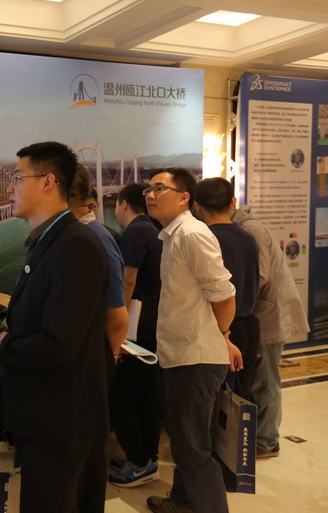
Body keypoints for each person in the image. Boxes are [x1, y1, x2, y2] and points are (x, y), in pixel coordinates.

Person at [0, 142, 109, 513]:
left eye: (17, 178)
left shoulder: (75, 245)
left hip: (61, 420)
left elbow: (59, 343)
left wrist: (6, 345)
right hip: (45, 416)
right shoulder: (50, 240)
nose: (10, 187)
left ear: (47, 182)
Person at [143, 168, 242, 513]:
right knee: (184, 443)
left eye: (160, 189)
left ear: (185, 197)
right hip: (179, 354)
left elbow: (224, 294)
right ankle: (183, 501)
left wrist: (222, 335)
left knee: (193, 448)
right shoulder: (173, 234)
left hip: (195, 358)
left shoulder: (192, 234)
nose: (150, 195)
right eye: (148, 189)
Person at [231, 204, 309, 458]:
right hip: (261, 314)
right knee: (259, 379)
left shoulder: (249, 229)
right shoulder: (241, 227)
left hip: (268, 315)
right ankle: (260, 436)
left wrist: (230, 300)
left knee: (265, 381)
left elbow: (259, 275)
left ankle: (267, 441)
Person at [108, 182, 163, 488]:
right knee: (146, 393)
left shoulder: (136, 231)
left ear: (123, 204)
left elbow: (128, 282)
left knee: (121, 395)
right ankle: (147, 456)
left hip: (138, 325)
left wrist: (118, 323)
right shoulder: (151, 228)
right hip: (151, 323)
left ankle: (139, 462)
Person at [195, 177, 260, 398]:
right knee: (240, 400)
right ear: (233, 202)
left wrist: (223, 334)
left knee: (215, 400)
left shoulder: (206, 239)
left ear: (197, 206)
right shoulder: (248, 238)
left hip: (222, 329)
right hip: (249, 325)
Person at [68, 164, 129, 378]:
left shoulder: (94, 238)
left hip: (89, 360)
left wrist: (109, 356)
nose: (11, 189)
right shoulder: (81, 234)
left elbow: (116, 311)